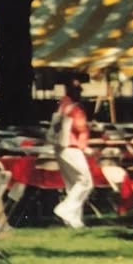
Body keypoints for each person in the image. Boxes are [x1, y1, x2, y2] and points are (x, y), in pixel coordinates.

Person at [51, 76, 93, 229]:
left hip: (60, 147)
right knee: (86, 182)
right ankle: (64, 209)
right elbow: (80, 126)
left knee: (73, 184)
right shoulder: (75, 108)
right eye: (78, 89)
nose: (80, 91)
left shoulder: (62, 104)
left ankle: (74, 220)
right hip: (72, 147)